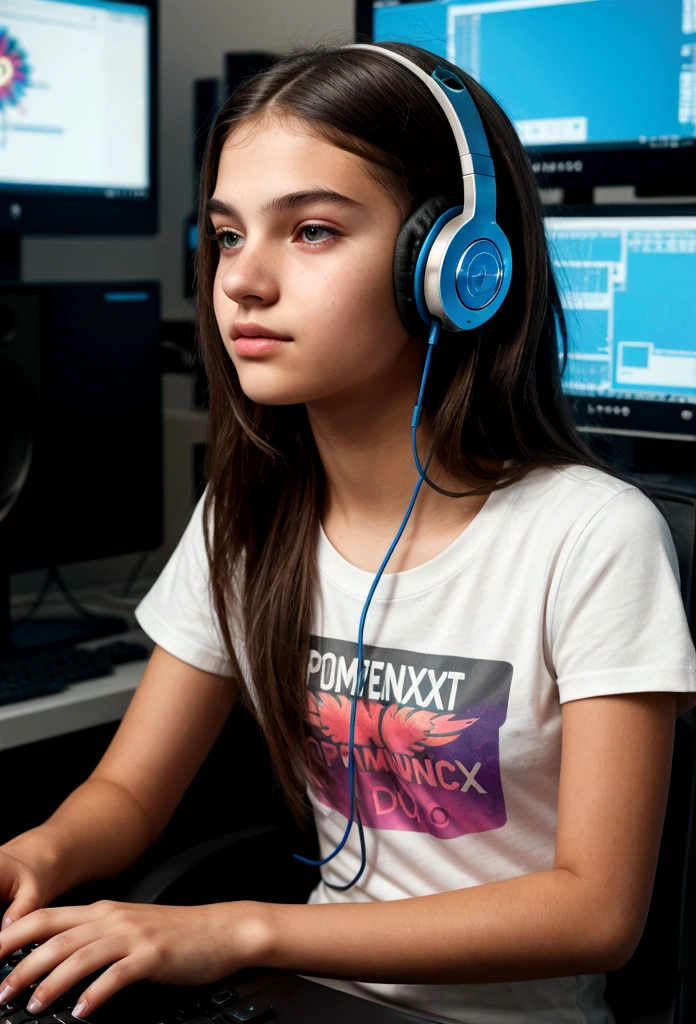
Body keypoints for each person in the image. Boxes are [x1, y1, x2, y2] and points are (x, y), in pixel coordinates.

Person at [0, 42, 693, 1024]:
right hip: (305, 1002)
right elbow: (127, 792)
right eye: (228, 236)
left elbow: (596, 910)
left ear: (454, 267)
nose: (243, 281)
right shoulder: (247, 519)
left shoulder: (591, 536)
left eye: (313, 230)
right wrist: (33, 856)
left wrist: (240, 929)